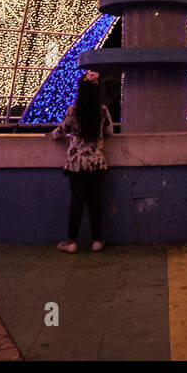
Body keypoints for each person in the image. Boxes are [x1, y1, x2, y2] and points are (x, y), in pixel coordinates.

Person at [52, 71, 114, 252]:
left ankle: (71, 241)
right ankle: (96, 240)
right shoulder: (102, 110)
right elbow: (110, 132)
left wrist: (51, 135)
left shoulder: (73, 110)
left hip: (76, 163)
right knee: (95, 202)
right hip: (96, 162)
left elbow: (60, 131)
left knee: (76, 202)